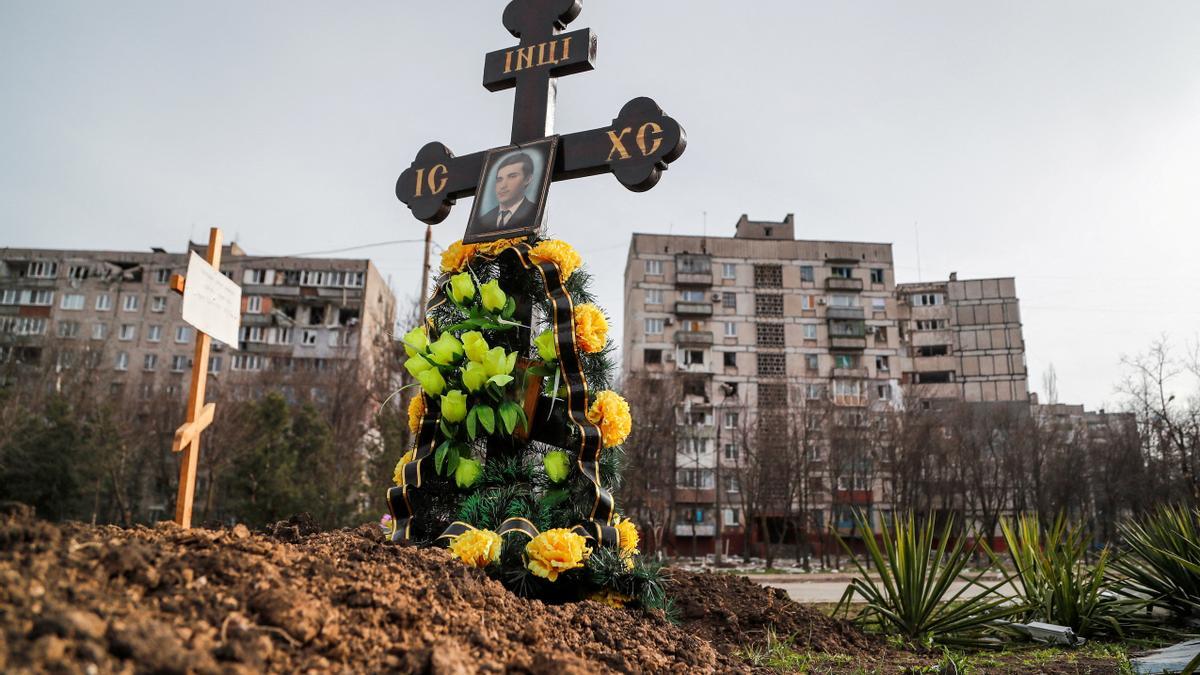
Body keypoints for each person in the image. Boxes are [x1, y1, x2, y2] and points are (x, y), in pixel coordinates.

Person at [474, 152, 537, 232]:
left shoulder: (534, 213)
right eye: (499, 179)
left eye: (512, 177)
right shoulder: (484, 219)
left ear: (527, 179)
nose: (502, 186)